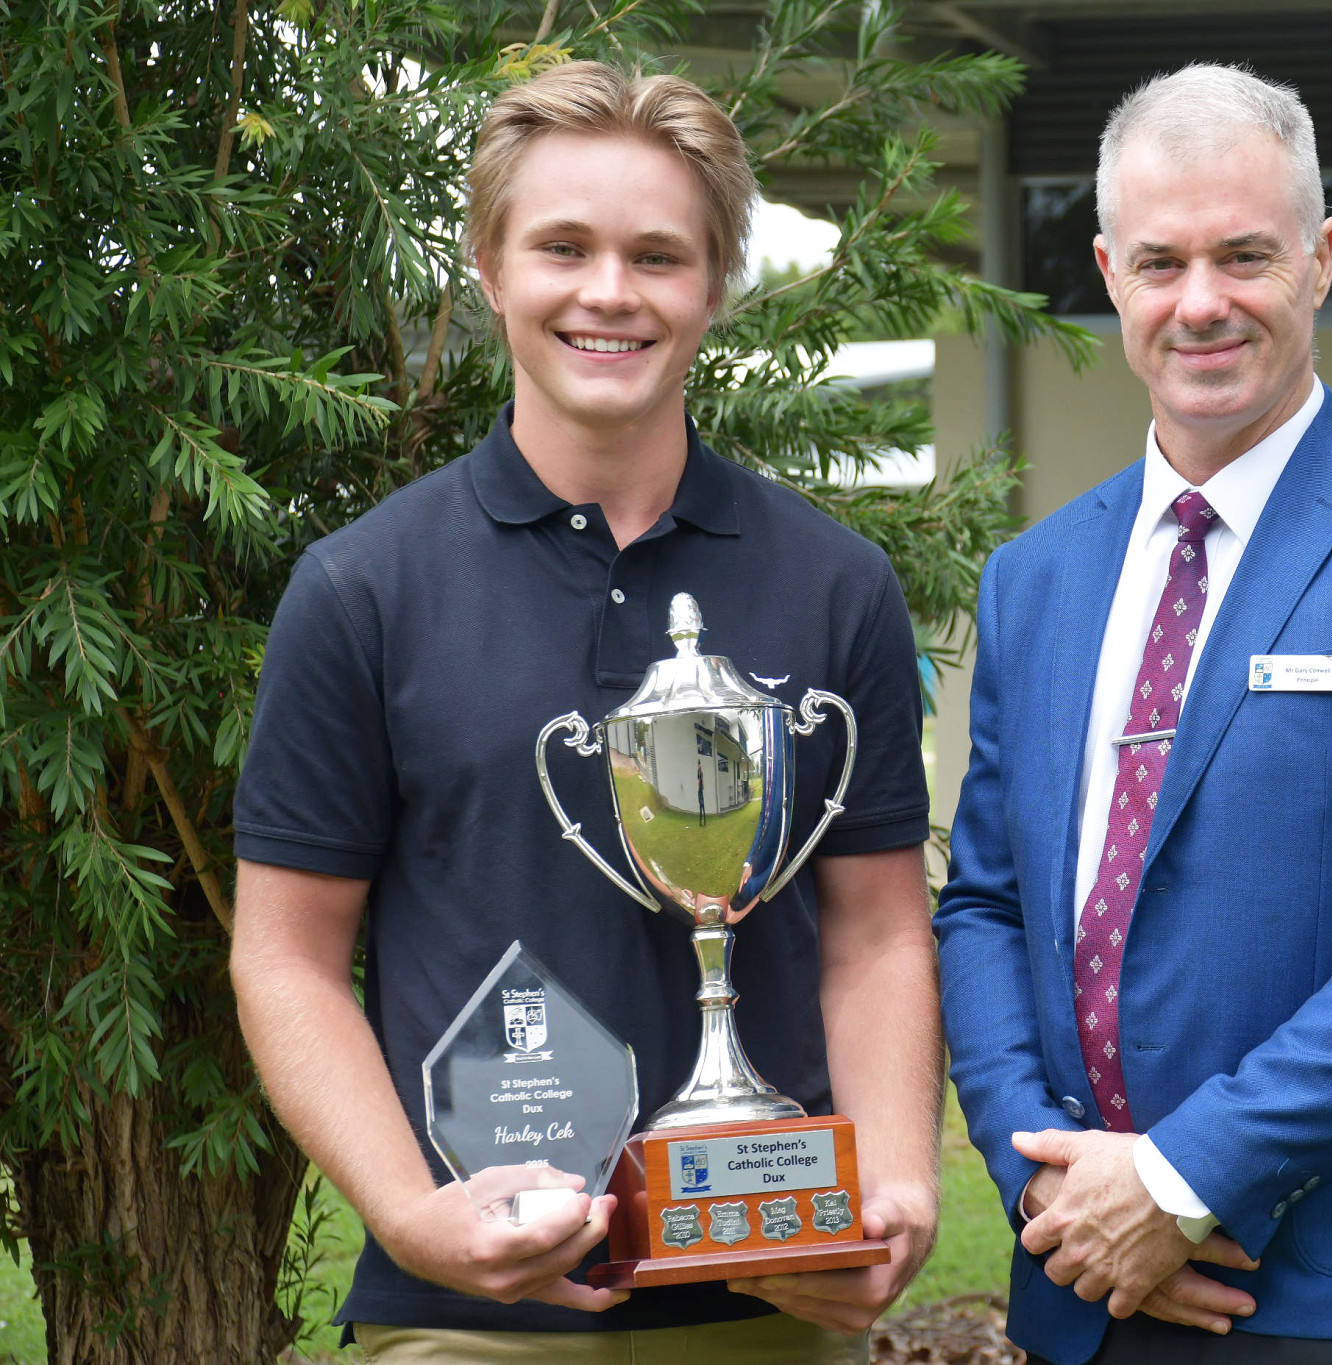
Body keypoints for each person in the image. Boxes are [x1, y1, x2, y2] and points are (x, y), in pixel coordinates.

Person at [230, 62, 939, 1364]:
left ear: (716, 284)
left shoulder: (835, 584)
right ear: (490, 270)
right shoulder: (362, 591)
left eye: (657, 255)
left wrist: (894, 1191)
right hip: (473, 1318)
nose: (608, 291)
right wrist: (410, 1213)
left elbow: (880, 932)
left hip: (770, 1304)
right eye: (563, 246)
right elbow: (285, 956)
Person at [933, 64, 1332, 1365]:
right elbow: (986, 903)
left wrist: (1179, 1181)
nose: (1202, 303)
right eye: (1161, 263)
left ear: (1321, 257)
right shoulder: (1037, 577)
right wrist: (1042, 1177)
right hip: (1088, 1295)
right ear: (1108, 271)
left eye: (1245, 256)